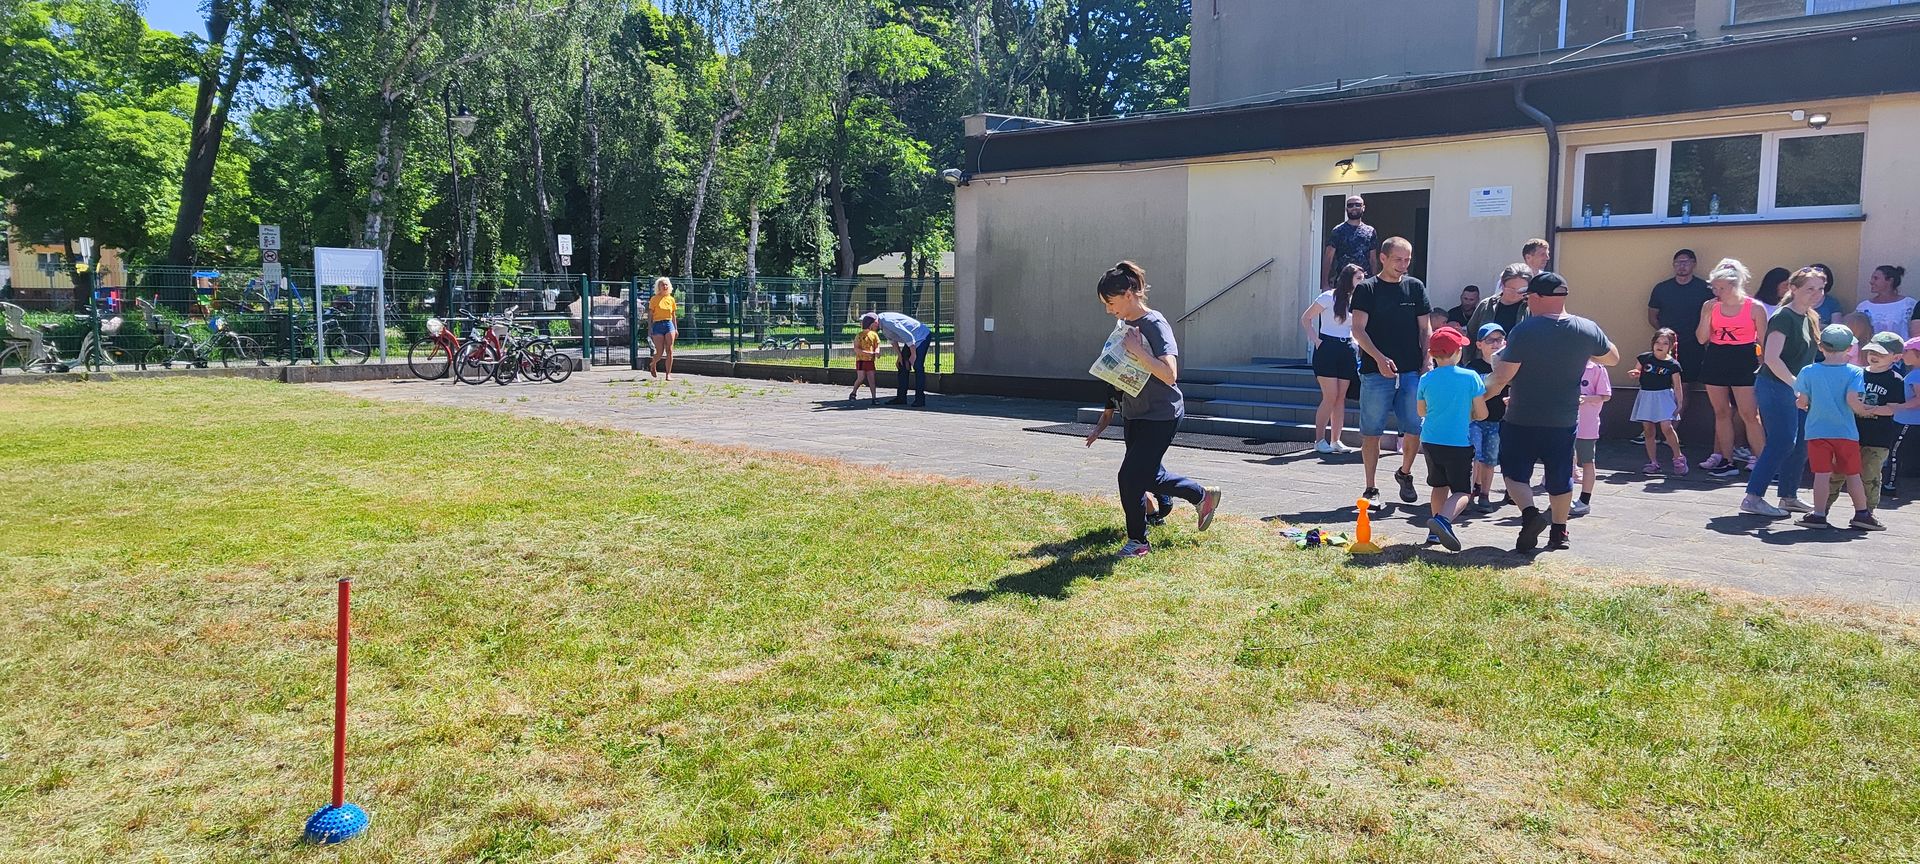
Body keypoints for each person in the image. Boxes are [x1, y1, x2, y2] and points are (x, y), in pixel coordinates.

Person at [1092, 261, 1221, 558]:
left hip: (1161, 414)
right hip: (1134, 413)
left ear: (1128, 294)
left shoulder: (1155, 324)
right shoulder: (1124, 325)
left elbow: (1170, 374)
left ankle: (1138, 541)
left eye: (1111, 303)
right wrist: (1108, 411)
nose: (1109, 310)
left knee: (1130, 477)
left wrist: (1137, 351)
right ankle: (1196, 498)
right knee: (1145, 475)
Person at [1485, 271, 1619, 553]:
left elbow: (1502, 377)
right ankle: (1559, 532)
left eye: (1528, 298)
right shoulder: (1587, 328)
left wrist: (1478, 400)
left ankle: (1530, 515)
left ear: (1536, 297)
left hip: (1522, 417)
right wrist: (1582, 349)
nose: (1527, 303)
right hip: (1563, 420)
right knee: (1560, 477)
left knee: (1514, 474)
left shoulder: (1525, 331)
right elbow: (1613, 357)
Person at [1350, 236, 1432, 508]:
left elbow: (1425, 329)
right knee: (1371, 431)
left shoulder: (1415, 287)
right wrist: (1379, 358)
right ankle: (1370, 487)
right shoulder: (1367, 289)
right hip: (1375, 371)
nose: (1403, 265)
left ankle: (1405, 473)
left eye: (1407, 260)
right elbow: (1358, 330)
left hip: (1410, 370)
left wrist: (1427, 360)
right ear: (1383, 258)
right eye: (1398, 259)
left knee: (1414, 427)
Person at [1740, 266, 1824, 518]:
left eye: (1820, 289)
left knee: (1800, 444)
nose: (1816, 294)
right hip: (1776, 387)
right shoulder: (1783, 317)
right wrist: (1796, 385)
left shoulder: (1809, 317)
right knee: (1782, 441)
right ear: (1793, 289)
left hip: (1797, 389)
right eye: (1810, 288)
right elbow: (1772, 358)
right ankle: (1753, 498)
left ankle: (1788, 497)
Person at [1793, 325, 1888, 531]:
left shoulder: (1808, 371)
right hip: (1846, 432)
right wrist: (1864, 411)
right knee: (1853, 474)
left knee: (1821, 475)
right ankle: (1862, 514)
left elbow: (1802, 402)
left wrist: (1803, 404)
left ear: (1821, 347)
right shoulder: (1855, 372)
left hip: (1817, 432)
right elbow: (1853, 400)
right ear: (1849, 349)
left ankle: (1819, 515)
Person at [1695, 259, 1768, 478]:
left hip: (1744, 358)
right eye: (1714, 288)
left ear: (1735, 286)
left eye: (1721, 288)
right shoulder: (1710, 306)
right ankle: (1727, 461)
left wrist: (1766, 366)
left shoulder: (1754, 307)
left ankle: (1764, 463)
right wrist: (1706, 315)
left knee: (1749, 414)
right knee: (1721, 412)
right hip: (1716, 356)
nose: (1717, 293)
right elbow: (1701, 338)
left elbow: (1764, 341)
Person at [1415, 326, 1485, 551]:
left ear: (1432, 354)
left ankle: (1434, 533)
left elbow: (1421, 411)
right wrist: (1470, 414)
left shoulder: (1426, 378)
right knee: (1463, 491)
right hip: (1458, 443)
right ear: (1458, 352)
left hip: (1430, 440)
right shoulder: (1471, 377)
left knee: (1439, 485)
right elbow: (1482, 413)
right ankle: (1443, 521)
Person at [1831, 332, 1904, 515]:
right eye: (1872, 351)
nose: (1874, 355)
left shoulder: (1895, 380)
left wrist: (1870, 409)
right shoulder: (1857, 373)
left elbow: (1893, 408)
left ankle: (1866, 512)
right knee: (1837, 472)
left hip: (1877, 438)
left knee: (1870, 475)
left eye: (1881, 353)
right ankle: (1822, 509)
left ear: (1896, 358)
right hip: (1850, 433)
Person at [1085, 387, 1176, 525]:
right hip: (1131, 430)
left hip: (1147, 428)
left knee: (1137, 471)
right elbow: (1107, 414)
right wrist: (1096, 432)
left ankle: (1165, 493)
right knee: (1133, 475)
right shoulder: (1110, 389)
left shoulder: (1136, 388)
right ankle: (1153, 512)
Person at [1300, 264, 1362, 454]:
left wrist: (1357, 344)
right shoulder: (1328, 297)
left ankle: (1336, 440)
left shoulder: (1358, 300)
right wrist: (1316, 340)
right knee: (1330, 396)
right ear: (1348, 278)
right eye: (1358, 278)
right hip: (1327, 347)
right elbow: (1306, 318)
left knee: (1341, 397)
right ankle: (1319, 440)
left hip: (1347, 348)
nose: (1362, 282)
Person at [1649, 249, 1712, 387]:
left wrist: (1705, 337)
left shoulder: (1705, 289)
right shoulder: (1662, 288)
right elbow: (1652, 316)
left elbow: (1713, 316)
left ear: (1694, 264)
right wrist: (1664, 336)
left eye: (1685, 262)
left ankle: (1682, 403)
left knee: (1686, 383)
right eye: (1677, 262)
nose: (1681, 266)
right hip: (1667, 344)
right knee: (1663, 381)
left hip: (1694, 343)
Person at [1628, 328, 1687, 474]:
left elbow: (1677, 386)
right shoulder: (1644, 358)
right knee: (1648, 430)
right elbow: (1637, 371)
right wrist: (1634, 373)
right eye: (1658, 342)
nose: (1660, 345)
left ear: (1671, 346)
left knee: (1667, 427)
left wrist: (1679, 402)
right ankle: (1653, 462)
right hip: (1646, 396)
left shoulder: (1673, 365)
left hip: (1664, 397)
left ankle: (1678, 457)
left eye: (1665, 343)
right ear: (1653, 343)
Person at [1466, 323, 1510, 512]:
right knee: (1474, 457)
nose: (1495, 344)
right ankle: (1467, 495)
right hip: (1474, 419)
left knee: (1490, 460)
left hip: (1497, 420)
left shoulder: (1507, 368)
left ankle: (1485, 494)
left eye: (1499, 339)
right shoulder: (1473, 368)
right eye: (1490, 340)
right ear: (1479, 344)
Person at [1463, 264, 1531, 366]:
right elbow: (1471, 336)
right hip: (1484, 366)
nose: (1516, 294)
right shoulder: (1486, 306)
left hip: (1518, 368)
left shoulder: (1531, 308)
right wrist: (1468, 364)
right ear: (1502, 285)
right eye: (1511, 289)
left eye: (1522, 290)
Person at [1571, 359, 1611, 517]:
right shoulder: (1565, 363)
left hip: (1586, 425)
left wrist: (1585, 399)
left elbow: (1605, 395)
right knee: (1563, 461)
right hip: (1563, 423)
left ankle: (1584, 501)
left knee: (1587, 461)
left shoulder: (1596, 368)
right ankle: (1561, 498)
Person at [867, 310, 931, 406]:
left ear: (875, 322)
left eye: (871, 328)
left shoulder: (888, 322)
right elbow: (892, 340)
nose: (871, 331)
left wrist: (913, 355)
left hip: (921, 337)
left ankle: (920, 399)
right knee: (902, 365)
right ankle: (901, 398)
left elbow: (908, 336)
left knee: (917, 366)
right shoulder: (881, 325)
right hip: (911, 341)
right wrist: (900, 356)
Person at [1321, 194, 1377, 289]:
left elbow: (1373, 260)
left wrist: (1375, 282)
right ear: (1346, 209)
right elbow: (1328, 257)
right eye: (1350, 205)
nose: (1354, 207)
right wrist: (1324, 284)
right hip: (1343, 281)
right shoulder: (1338, 231)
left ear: (1363, 208)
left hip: (1364, 281)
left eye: (1357, 205)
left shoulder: (1370, 231)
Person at [1887, 337, 1920, 491]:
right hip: (1909, 421)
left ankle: (1890, 484)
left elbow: (1918, 399)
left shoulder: (1915, 375)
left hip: (1907, 422)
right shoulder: (1914, 373)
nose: (1903, 354)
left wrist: (1898, 407)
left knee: (1895, 453)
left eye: (1907, 351)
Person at [1856, 265, 1914, 337]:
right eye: (1872, 278)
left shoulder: (1908, 305)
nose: (1871, 282)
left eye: (1876, 278)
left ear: (1890, 281)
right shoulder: (1864, 307)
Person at [648, 277, 678, 380]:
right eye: (662, 285)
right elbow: (650, 316)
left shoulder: (671, 299)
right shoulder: (654, 299)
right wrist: (650, 329)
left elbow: (673, 315)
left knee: (669, 350)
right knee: (659, 352)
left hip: (669, 324)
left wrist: (675, 328)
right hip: (657, 325)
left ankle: (668, 374)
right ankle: (653, 364)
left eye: (666, 285)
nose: (665, 286)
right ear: (658, 287)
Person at [850, 313, 882, 403]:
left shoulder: (874, 335)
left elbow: (877, 346)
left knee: (872, 379)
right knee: (861, 378)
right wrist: (867, 353)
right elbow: (856, 349)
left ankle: (874, 398)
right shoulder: (859, 335)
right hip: (861, 360)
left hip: (870, 361)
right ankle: (853, 392)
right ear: (871, 323)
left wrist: (877, 352)